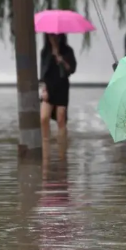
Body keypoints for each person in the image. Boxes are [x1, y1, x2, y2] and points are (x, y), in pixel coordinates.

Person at [39, 34, 77, 162]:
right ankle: (45, 147)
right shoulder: (45, 51)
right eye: (50, 36)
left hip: (62, 87)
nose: (53, 38)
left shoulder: (67, 51)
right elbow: (43, 72)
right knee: (44, 117)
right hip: (49, 87)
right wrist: (43, 88)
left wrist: (61, 60)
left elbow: (72, 69)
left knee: (61, 118)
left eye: (55, 36)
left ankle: (62, 151)